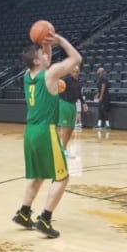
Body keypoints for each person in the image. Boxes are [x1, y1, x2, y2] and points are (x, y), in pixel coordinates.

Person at [12, 32, 82, 238]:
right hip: (46, 131)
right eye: (42, 54)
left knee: (38, 175)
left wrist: (46, 46)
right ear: (36, 59)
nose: (46, 56)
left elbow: (47, 61)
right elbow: (76, 59)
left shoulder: (28, 75)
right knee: (62, 177)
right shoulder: (50, 75)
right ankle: (45, 218)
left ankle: (24, 213)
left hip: (30, 132)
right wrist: (60, 40)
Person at [58, 65, 87, 157]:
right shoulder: (65, 80)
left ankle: (64, 148)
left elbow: (79, 94)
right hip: (64, 104)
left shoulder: (80, 82)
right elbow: (57, 88)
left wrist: (84, 103)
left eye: (77, 71)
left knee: (71, 128)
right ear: (71, 72)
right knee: (65, 128)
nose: (75, 73)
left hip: (73, 105)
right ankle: (63, 149)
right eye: (74, 71)